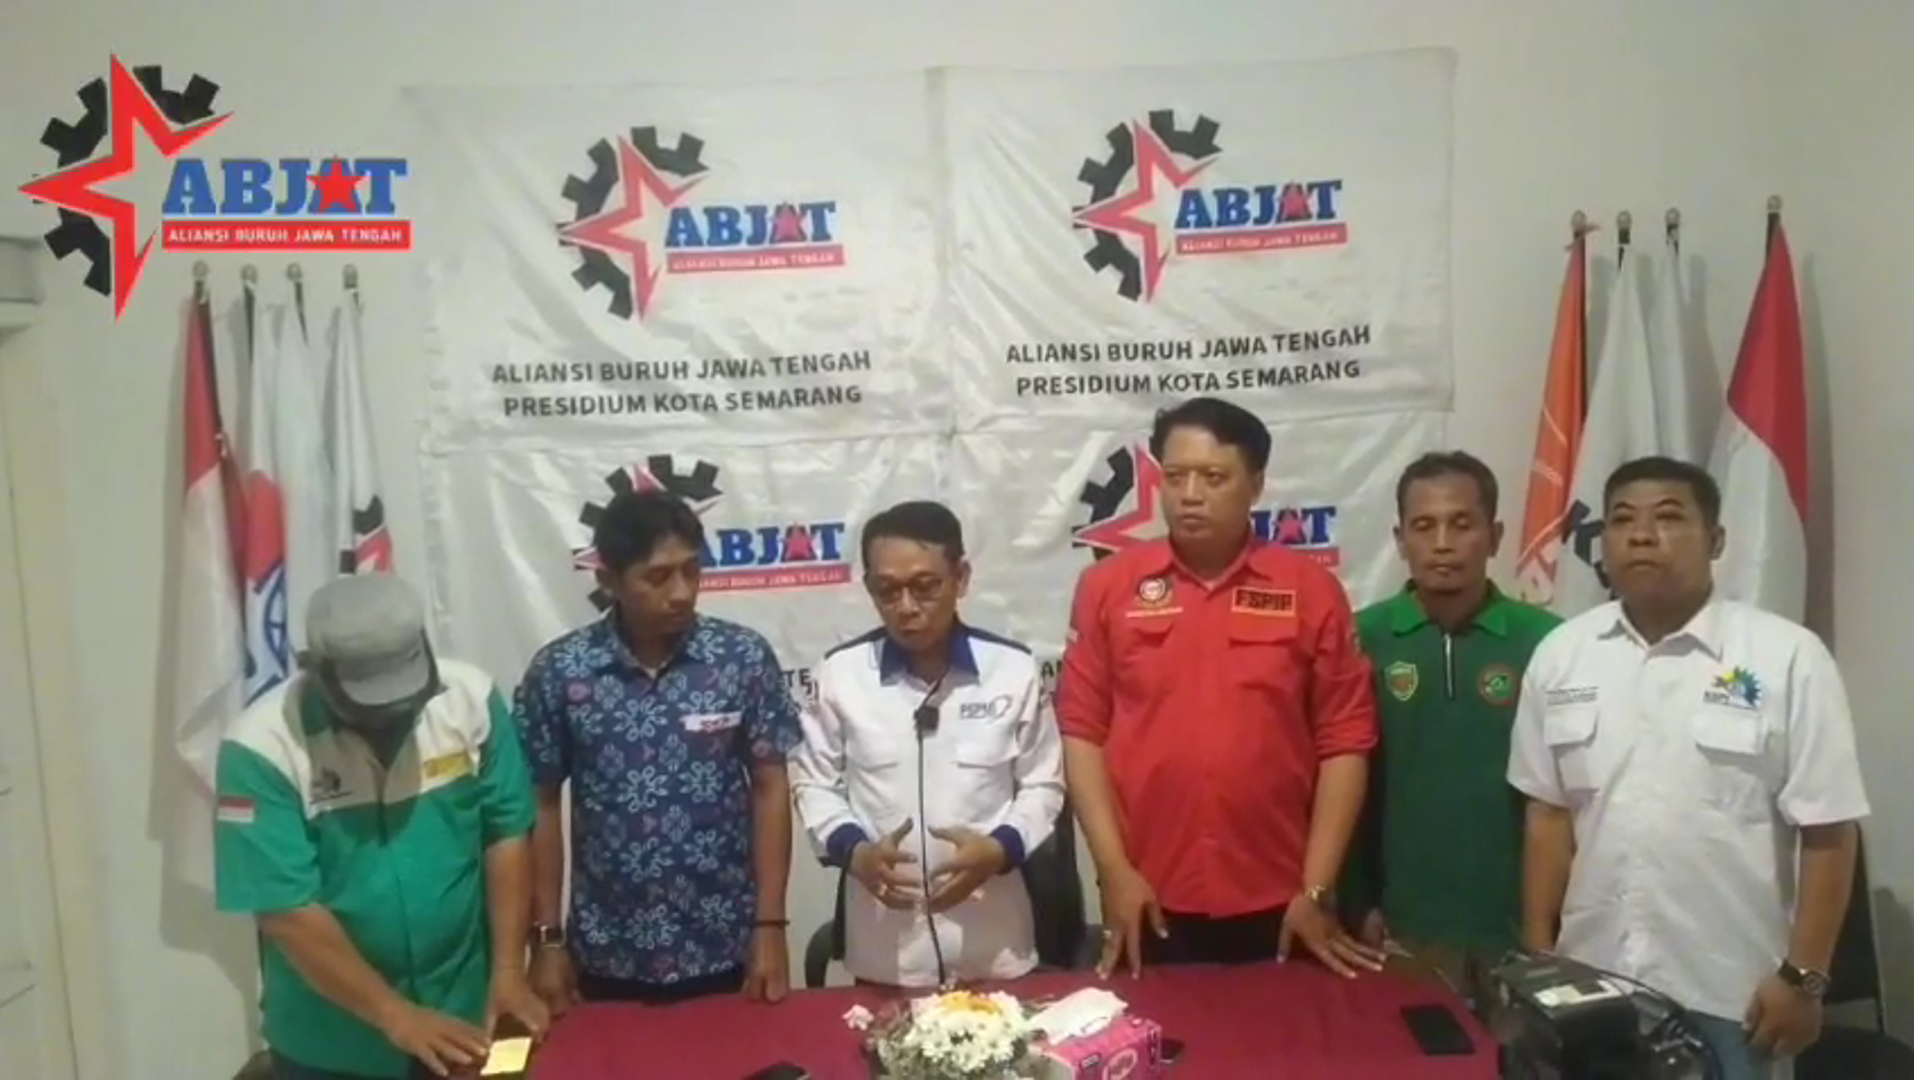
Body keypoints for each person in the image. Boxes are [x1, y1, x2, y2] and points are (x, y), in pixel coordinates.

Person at [1509, 456, 1869, 1080]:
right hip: (1593, 986)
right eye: (1622, 520)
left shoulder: (1787, 658)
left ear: (1716, 539)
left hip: (1734, 994)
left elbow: (1830, 830)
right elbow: (1549, 814)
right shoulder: (1561, 655)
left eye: (1669, 518)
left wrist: (1805, 979)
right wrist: (1542, 955)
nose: (1642, 535)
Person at [1057, 396, 1384, 978]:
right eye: (1174, 476)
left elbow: (1345, 742)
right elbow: (1082, 733)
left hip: (1282, 900)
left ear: (1255, 485)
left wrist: (1316, 889)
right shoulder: (1107, 587)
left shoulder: (1310, 591)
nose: (1189, 494)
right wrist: (1113, 871)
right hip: (1147, 896)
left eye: (1213, 477)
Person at [213, 574, 546, 1080]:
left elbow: (506, 832)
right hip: (332, 1044)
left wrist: (507, 971)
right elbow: (286, 909)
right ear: (315, 670)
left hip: (465, 1014)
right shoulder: (261, 748)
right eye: (370, 707)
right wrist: (396, 1016)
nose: (392, 717)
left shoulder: (471, 700)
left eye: (405, 700)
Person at [517, 490, 801, 1014]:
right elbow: (541, 804)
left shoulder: (740, 659)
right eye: (658, 576)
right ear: (608, 580)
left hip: (727, 944)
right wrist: (547, 939)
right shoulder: (560, 672)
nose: (681, 592)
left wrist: (770, 926)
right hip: (604, 950)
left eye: (692, 570)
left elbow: (770, 787)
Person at [791, 500, 1065, 987]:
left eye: (925, 587)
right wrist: (854, 851)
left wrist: (1000, 849)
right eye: (887, 590)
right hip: (886, 949)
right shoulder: (840, 675)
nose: (906, 607)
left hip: (993, 941)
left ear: (961, 578)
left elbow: (1044, 784)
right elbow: (813, 784)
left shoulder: (1012, 670)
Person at [1342, 452, 1560, 998]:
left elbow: (1567, 795)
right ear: (1400, 540)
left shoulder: (1548, 642)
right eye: (1424, 526)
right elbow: (1338, 781)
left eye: (1462, 524)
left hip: (1519, 927)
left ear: (1495, 536)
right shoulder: (1359, 639)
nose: (1443, 543)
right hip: (1398, 927)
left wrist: (1548, 921)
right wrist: (1354, 900)